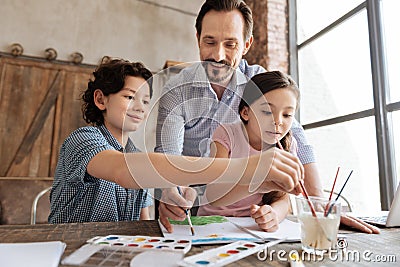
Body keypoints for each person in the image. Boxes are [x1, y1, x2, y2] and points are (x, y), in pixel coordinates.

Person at [155, 0, 379, 234]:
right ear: (198, 37)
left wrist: (318, 203)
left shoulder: (258, 83)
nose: (218, 55)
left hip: (249, 212)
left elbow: (297, 140)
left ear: (246, 45)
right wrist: (169, 190)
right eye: (209, 42)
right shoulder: (176, 91)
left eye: (230, 44)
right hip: (195, 205)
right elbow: (167, 156)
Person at [48, 58, 304, 224]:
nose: (140, 108)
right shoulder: (83, 141)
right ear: (101, 100)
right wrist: (247, 167)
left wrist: (166, 208)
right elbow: (124, 170)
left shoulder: (138, 153)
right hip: (68, 246)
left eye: (146, 101)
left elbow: (142, 220)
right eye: (129, 98)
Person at [197, 71, 299, 232]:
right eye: (267, 112)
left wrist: (273, 215)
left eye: (287, 115)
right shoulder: (226, 134)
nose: (278, 121)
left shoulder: (288, 144)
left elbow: (283, 199)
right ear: (246, 112)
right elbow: (214, 195)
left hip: (251, 227)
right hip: (212, 223)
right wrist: (258, 184)